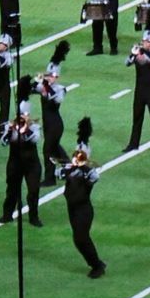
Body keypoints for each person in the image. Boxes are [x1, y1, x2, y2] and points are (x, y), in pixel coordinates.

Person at [56, 118, 106, 278]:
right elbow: (58, 173)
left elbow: (95, 177)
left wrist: (83, 166)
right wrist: (70, 168)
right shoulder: (71, 170)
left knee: (81, 237)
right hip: (72, 208)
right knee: (78, 240)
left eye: (80, 157)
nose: (77, 158)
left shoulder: (88, 173)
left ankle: (97, 265)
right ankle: (95, 263)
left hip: (83, 210)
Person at [0, 77, 43, 226]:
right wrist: (11, 131)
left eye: (25, 117)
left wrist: (25, 129)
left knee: (33, 191)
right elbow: (3, 142)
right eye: (21, 117)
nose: (22, 119)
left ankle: (33, 217)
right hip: (15, 162)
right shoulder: (10, 126)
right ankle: (7, 214)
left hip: (31, 164)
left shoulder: (35, 127)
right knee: (12, 189)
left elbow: (34, 139)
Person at [39, 41, 70, 185]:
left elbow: (54, 99)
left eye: (51, 76)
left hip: (55, 124)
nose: (48, 78)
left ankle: (50, 178)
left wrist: (45, 85)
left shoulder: (60, 89)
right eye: (47, 75)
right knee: (55, 147)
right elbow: (33, 88)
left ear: (56, 77)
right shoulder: (44, 86)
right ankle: (70, 166)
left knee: (48, 150)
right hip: (47, 124)